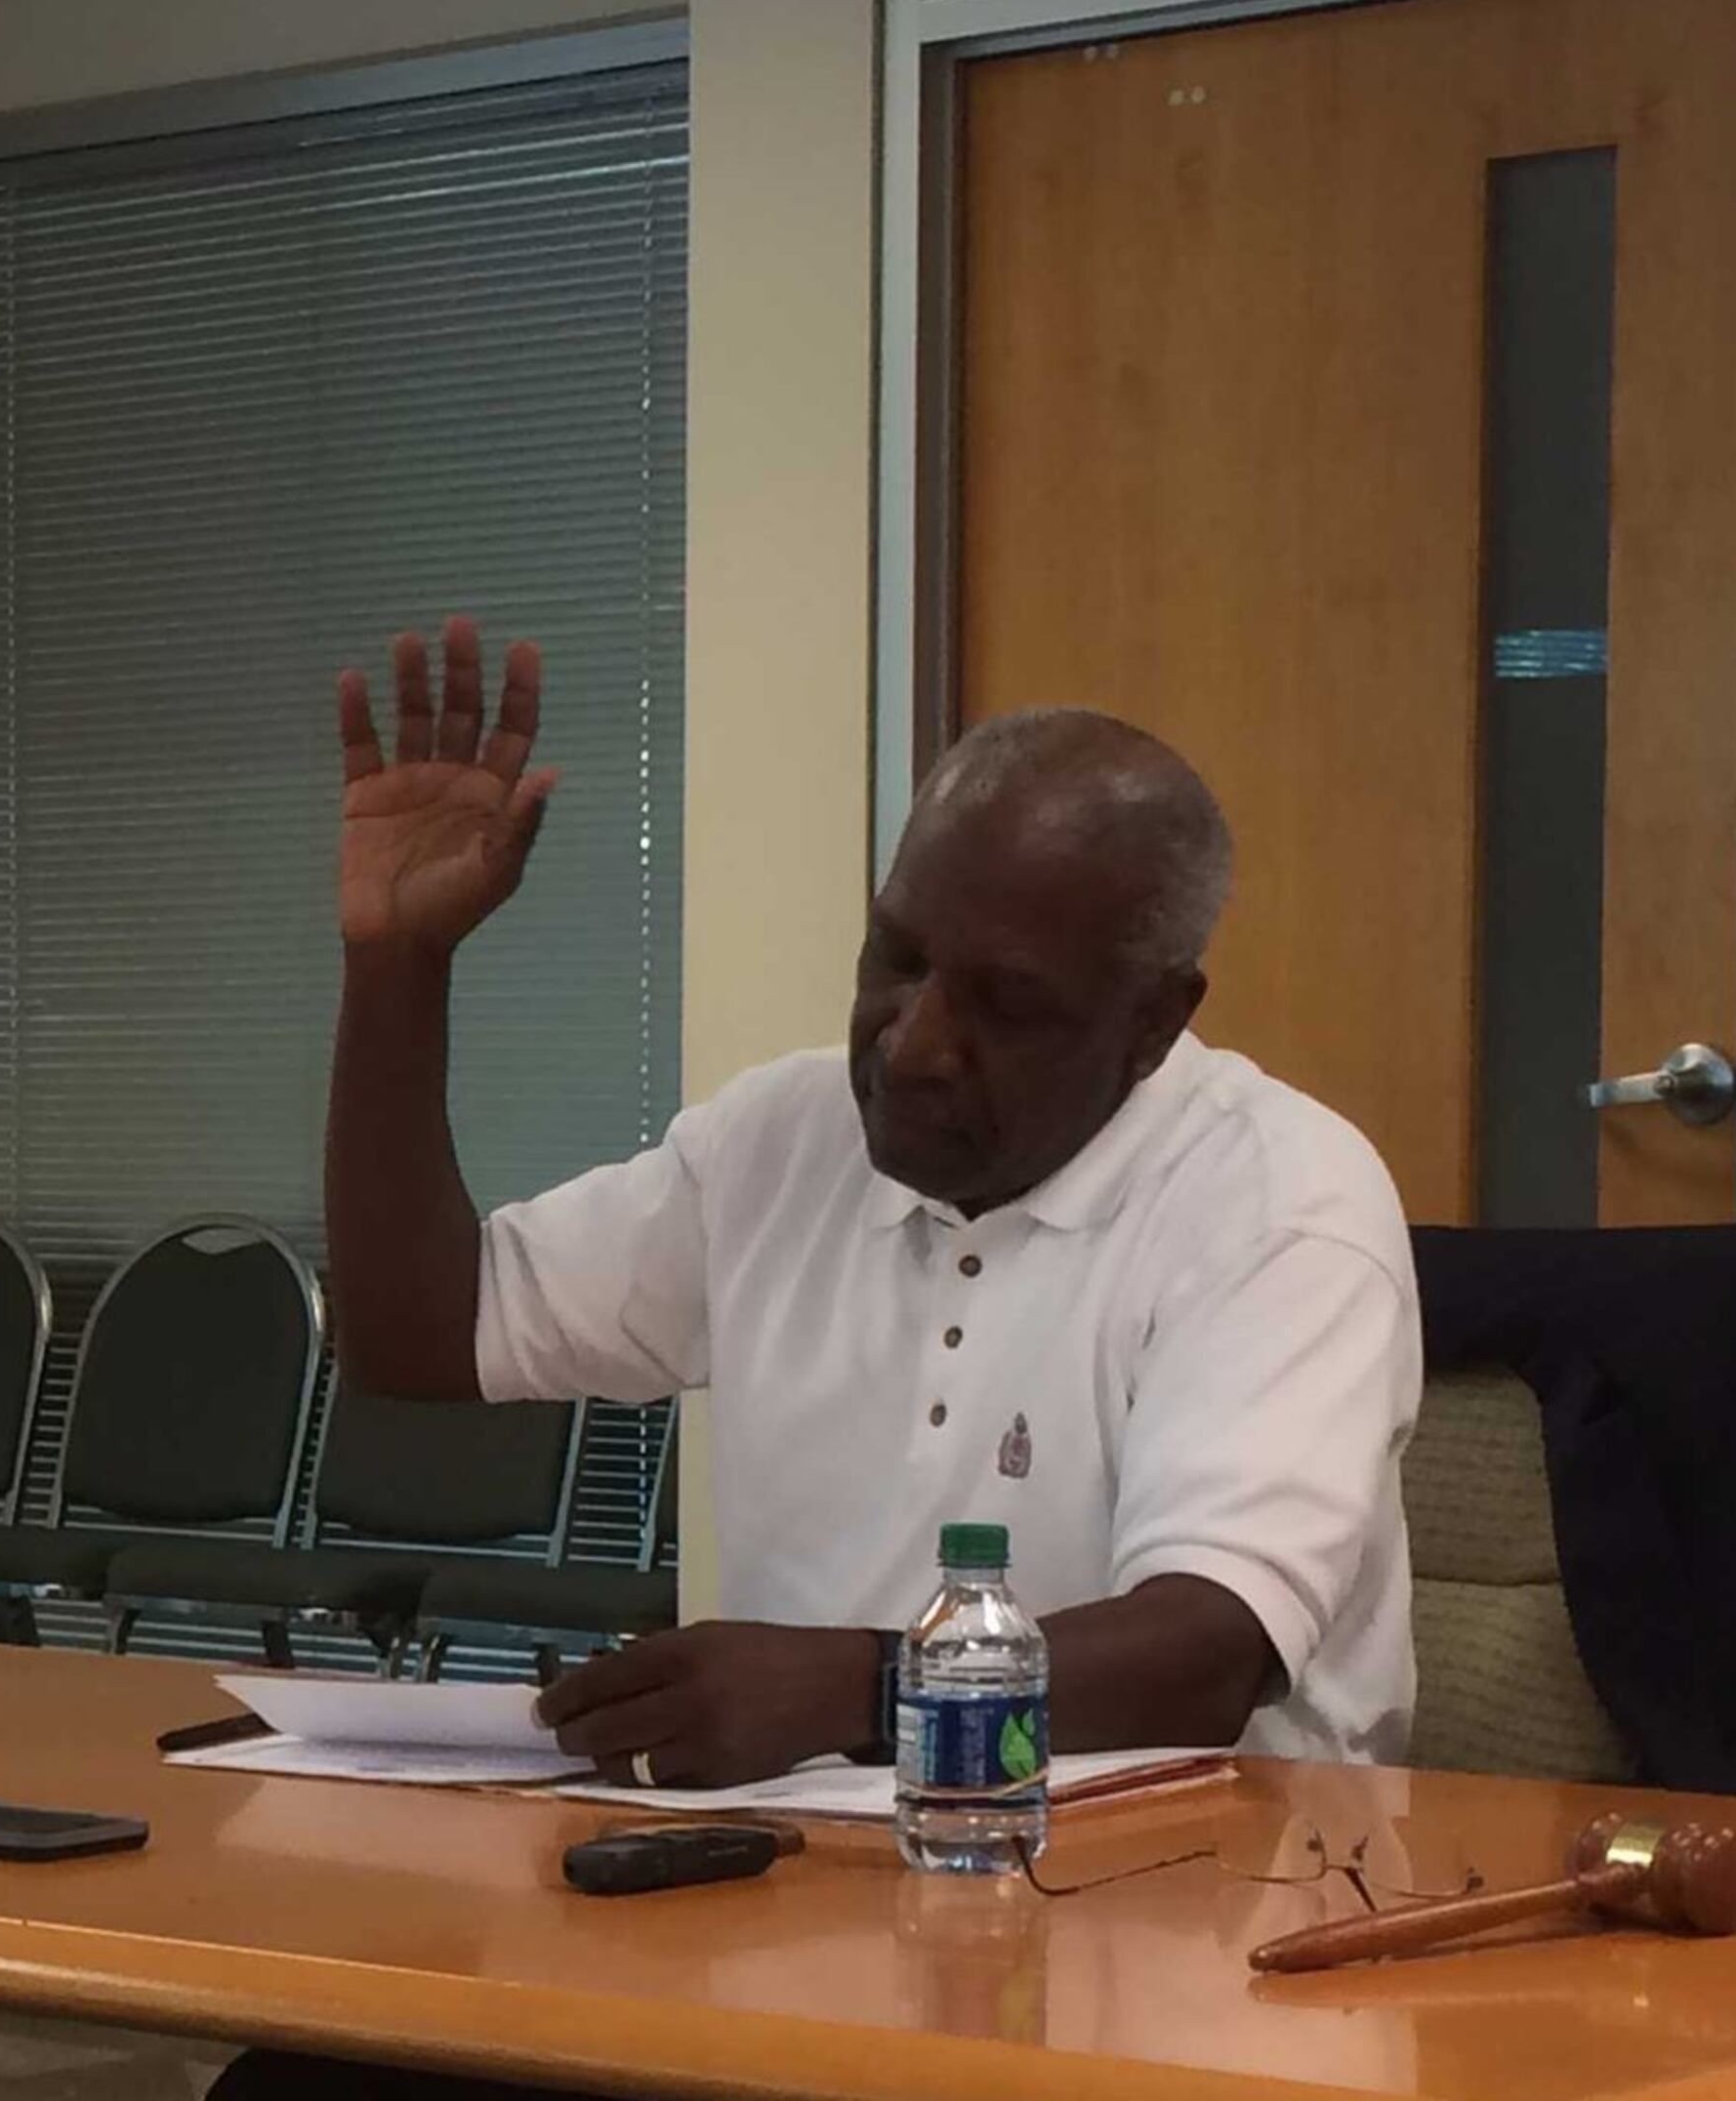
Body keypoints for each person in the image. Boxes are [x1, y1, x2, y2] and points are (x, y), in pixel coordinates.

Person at [216, 618, 1419, 2099]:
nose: (914, 1045)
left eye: (1006, 1003)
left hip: (1196, 1936)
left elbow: (1205, 1655)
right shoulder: (780, 1143)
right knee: (324, 2076)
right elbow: (417, 1333)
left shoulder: (1283, 1198)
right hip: (810, 1900)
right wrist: (398, 969)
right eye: (894, 960)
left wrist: (851, 1692)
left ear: (1156, 1023)